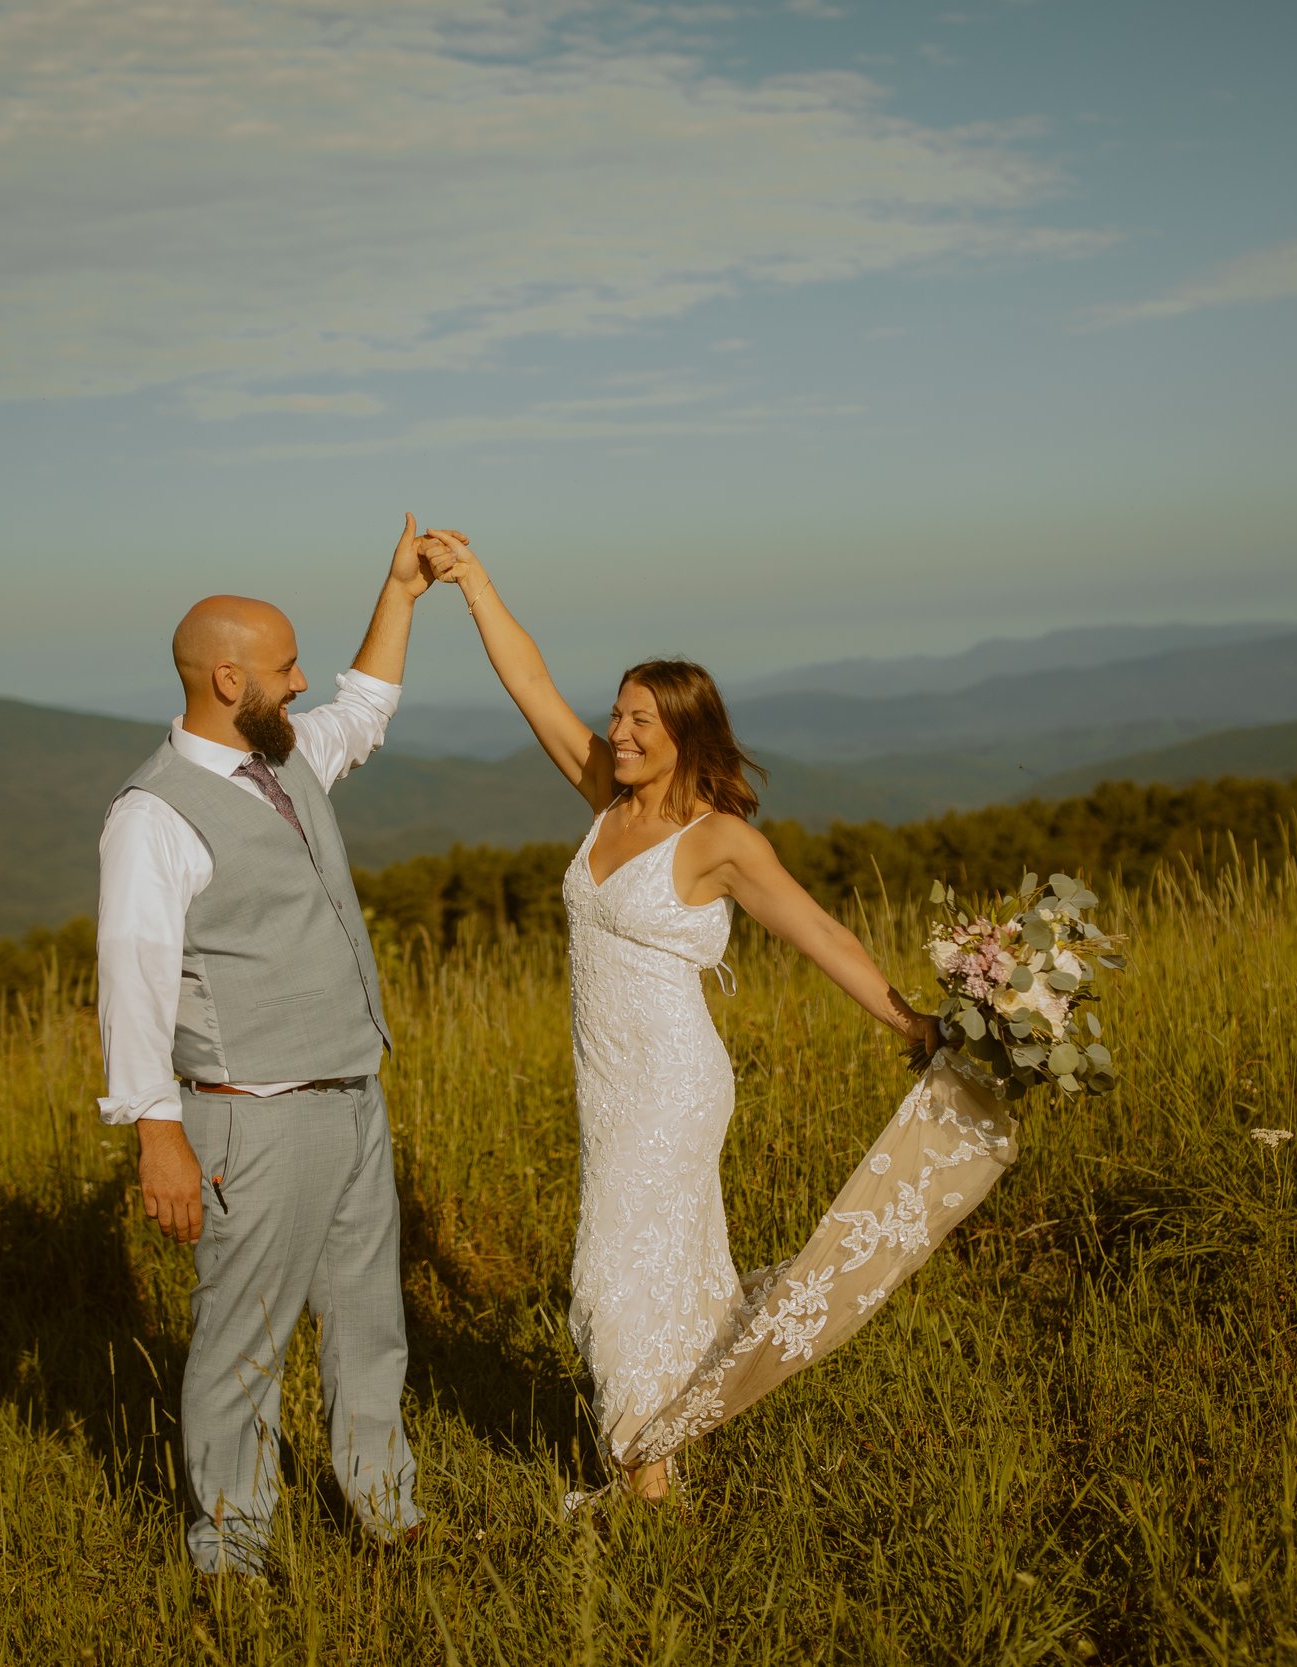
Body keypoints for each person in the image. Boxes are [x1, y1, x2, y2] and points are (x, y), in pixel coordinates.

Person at [419, 532, 941, 1503]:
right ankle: (674, 1442)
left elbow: (819, 931)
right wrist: (474, 584)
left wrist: (910, 1023)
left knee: (606, 1280)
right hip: (605, 1084)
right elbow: (530, 683)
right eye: (617, 712)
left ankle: (645, 1476)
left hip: (670, 1081)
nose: (619, 731)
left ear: (687, 732)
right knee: (667, 1273)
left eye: (642, 720)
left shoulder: (719, 840)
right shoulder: (604, 801)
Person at [95, 515, 450, 1577]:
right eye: (284, 666)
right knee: (243, 1339)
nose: (301, 683)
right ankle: (231, 1549)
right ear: (224, 676)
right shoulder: (151, 816)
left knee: (368, 1324)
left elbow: (367, 708)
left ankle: (386, 1508)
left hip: (349, 1097)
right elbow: (132, 976)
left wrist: (400, 591)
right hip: (247, 1114)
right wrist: (157, 1133)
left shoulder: (284, 758)